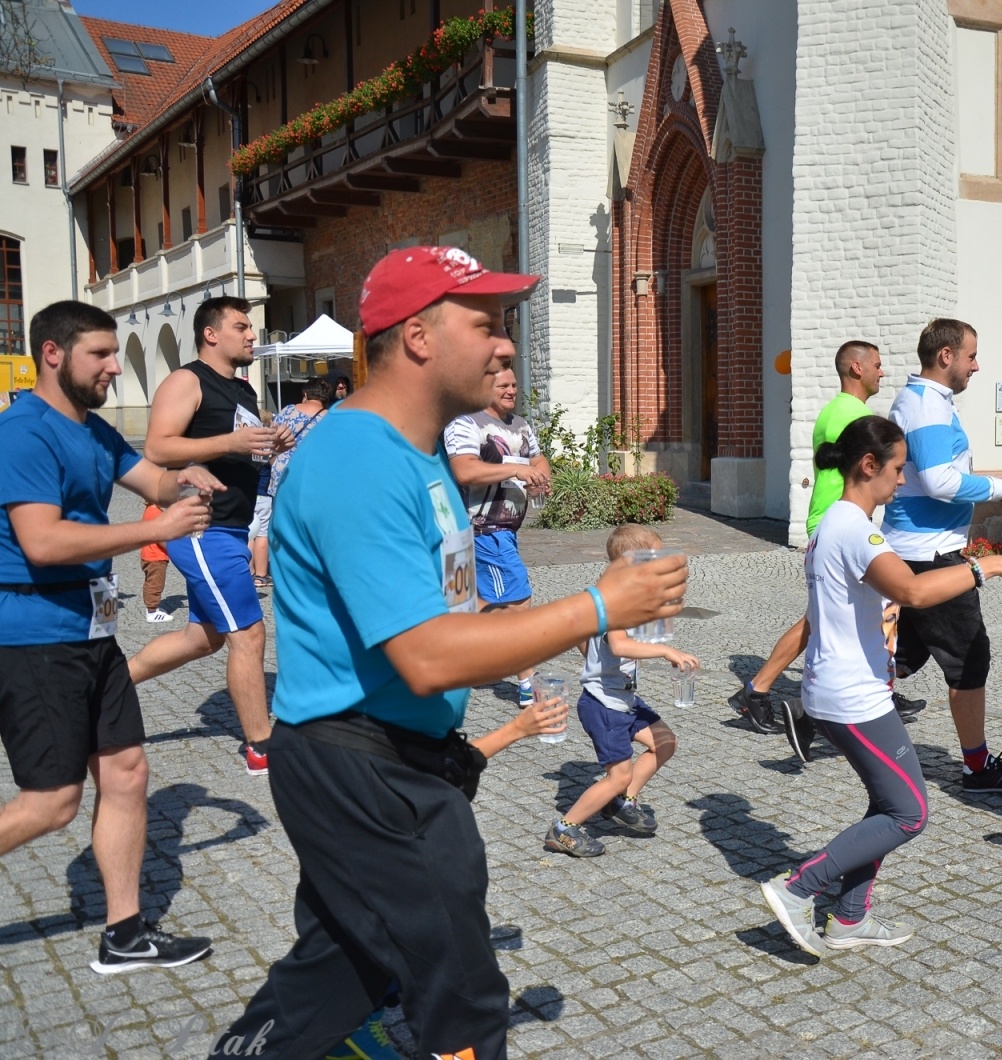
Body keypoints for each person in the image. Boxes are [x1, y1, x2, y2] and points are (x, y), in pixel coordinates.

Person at [220, 245, 686, 1059]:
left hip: (401, 758)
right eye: (487, 324)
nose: (506, 345)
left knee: (344, 967)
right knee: (464, 998)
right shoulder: (358, 457)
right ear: (418, 336)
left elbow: (452, 613)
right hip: (358, 765)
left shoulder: (422, 448)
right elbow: (430, 656)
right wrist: (601, 605)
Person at [760, 416, 1002, 956]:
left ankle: (848, 919)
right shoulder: (855, 528)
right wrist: (989, 565)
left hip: (842, 690)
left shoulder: (836, 525)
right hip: (852, 699)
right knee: (909, 812)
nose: (901, 479)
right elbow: (912, 591)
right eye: (896, 468)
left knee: (886, 805)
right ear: (869, 467)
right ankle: (798, 888)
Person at [0, 300, 219, 973]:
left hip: (93, 634)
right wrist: (155, 530)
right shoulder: (24, 434)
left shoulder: (92, 431)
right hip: (34, 637)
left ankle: (124, 935)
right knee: (52, 803)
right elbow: (42, 540)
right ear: (55, 354)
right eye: (100, 354)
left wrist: (183, 476)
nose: (112, 369)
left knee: (126, 773)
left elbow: (145, 475)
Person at [729, 340, 927, 737]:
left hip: (832, 520)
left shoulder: (834, 409)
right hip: (837, 523)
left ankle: (764, 689)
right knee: (824, 618)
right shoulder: (852, 414)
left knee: (822, 618)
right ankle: (759, 690)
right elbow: (857, 478)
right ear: (856, 368)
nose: (881, 372)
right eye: (876, 364)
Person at [125, 296, 284, 776]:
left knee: (203, 638)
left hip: (234, 527)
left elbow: (239, 454)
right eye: (242, 326)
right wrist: (232, 442)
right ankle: (260, 746)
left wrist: (269, 445)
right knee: (249, 633)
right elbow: (157, 446)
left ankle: (106, 683)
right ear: (211, 334)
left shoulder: (243, 390)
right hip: (201, 525)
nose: (252, 334)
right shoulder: (187, 379)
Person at [880, 318, 1002, 794]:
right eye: (971, 355)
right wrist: (1000, 486)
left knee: (906, 652)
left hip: (914, 547)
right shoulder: (927, 405)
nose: (976, 365)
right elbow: (938, 481)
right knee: (969, 657)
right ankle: (977, 767)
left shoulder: (924, 401)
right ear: (945, 356)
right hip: (931, 553)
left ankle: (816, 715)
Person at [545, 524, 694, 858]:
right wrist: (666, 652)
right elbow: (620, 643)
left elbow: (585, 635)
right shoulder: (616, 597)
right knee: (618, 774)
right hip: (604, 704)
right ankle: (564, 829)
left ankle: (621, 802)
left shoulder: (620, 592)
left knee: (665, 742)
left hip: (621, 697)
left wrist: (595, 661)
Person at [443, 366, 551, 703]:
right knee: (518, 602)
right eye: (502, 385)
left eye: (514, 385)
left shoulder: (519, 425)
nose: (511, 391)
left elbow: (539, 459)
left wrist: (539, 479)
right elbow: (465, 470)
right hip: (481, 529)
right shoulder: (465, 423)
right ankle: (526, 682)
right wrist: (518, 470)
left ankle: (443, 647)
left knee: (473, 601)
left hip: (506, 529)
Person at [248, 377, 332, 588]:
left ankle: (284, 567)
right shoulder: (329, 419)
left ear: (305, 394)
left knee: (282, 523)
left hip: (282, 474)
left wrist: (276, 460)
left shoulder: (288, 411)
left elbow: (272, 438)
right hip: (311, 477)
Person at [140, 504, 173, 621]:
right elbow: (159, 537)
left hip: (149, 554)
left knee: (150, 582)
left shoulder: (150, 510)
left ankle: (152, 608)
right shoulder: (155, 512)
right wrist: (172, 549)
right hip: (156, 556)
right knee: (156, 584)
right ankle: (152, 612)